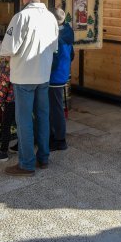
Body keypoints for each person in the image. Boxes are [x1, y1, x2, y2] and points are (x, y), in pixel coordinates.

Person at [0, 0, 59, 176]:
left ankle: (26, 164)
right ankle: (43, 158)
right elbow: (54, 48)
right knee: (43, 117)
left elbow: (10, 48)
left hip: (24, 76)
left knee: (24, 120)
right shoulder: (51, 18)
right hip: (43, 75)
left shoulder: (20, 17)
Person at [49, 8, 74, 151]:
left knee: (55, 108)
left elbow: (53, 59)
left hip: (54, 76)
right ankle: (56, 136)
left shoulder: (55, 36)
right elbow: (72, 55)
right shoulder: (68, 31)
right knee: (56, 106)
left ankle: (59, 139)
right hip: (62, 74)